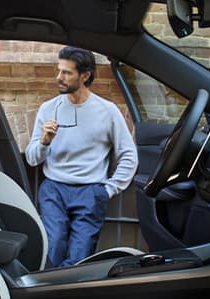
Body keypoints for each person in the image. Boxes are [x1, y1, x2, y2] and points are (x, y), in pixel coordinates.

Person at [26, 46, 138, 268]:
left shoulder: (107, 111)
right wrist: (44, 142)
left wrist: (108, 189)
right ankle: (45, 296)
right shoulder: (48, 108)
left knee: (80, 257)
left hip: (90, 191)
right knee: (53, 247)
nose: (59, 77)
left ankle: (66, 298)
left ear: (85, 75)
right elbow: (32, 158)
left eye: (66, 73)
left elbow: (128, 155)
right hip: (54, 189)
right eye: (59, 71)